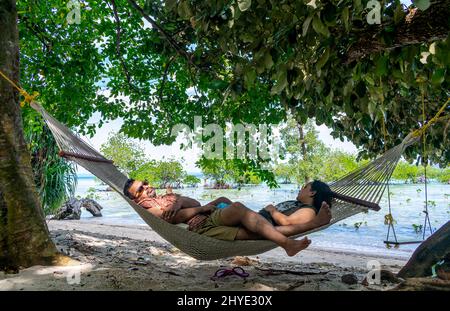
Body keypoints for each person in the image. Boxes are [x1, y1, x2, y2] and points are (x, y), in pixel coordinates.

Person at [124, 179, 333, 257]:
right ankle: (288, 244)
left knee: (257, 232)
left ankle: (292, 239)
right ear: (136, 199)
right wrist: (200, 208)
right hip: (203, 225)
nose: (147, 187)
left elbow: (190, 203)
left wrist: (178, 201)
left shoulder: (166, 197)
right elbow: (172, 218)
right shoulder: (149, 208)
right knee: (241, 211)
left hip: (209, 217)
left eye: (145, 183)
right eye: (141, 190)